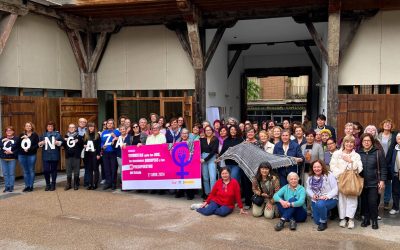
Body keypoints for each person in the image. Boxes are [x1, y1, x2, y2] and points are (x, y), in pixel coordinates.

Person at [330, 135, 363, 229]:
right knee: (341, 200)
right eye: (347, 142)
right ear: (343, 143)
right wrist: (340, 175)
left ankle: (351, 219)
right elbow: (333, 166)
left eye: (351, 142)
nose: (349, 144)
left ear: (354, 144)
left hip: (352, 180)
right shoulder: (337, 154)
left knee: (352, 199)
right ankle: (343, 219)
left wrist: (350, 161)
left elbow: (360, 168)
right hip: (340, 180)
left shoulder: (356, 155)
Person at [358, 133, 387, 229]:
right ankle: (366, 219)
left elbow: (383, 167)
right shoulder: (358, 153)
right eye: (364, 141)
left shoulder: (378, 152)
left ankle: (374, 220)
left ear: (372, 142)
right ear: (361, 142)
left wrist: (382, 180)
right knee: (364, 202)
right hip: (362, 182)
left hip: (374, 182)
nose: (366, 142)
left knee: (373, 202)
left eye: (368, 140)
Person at [306, 160, 338, 231]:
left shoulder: (328, 175)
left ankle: (324, 222)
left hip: (330, 199)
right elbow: (308, 189)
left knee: (321, 204)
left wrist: (326, 196)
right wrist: (313, 195)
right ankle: (326, 213)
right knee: (317, 221)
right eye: (314, 167)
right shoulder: (310, 177)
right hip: (316, 200)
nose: (316, 169)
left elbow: (336, 189)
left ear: (322, 167)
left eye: (318, 167)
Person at [377, 119, 397, 210]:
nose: (387, 125)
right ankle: (376, 201)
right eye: (386, 123)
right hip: (378, 161)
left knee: (388, 182)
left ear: (391, 126)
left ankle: (386, 201)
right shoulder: (378, 135)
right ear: (382, 125)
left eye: (389, 124)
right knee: (377, 181)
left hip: (388, 162)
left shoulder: (394, 136)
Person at [38, 121, 63, 191]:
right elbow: (39, 144)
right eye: (49, 126)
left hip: (54, 154)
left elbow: (62, 142)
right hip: (46, 155)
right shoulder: (43, 135)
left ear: (53, 127)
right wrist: (41, 143)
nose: (50, 127)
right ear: (46, 127)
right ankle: (47, 184)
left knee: (53, 170)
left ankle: (53, 184)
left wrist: (58, 142)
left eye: (51, 126)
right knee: (46, 170)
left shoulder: (57, 134)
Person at [17, 122, 39, 192]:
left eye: (29, 126)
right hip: (22, 155)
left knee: (31, 170)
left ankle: (31, 186)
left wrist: (29, 149)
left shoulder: (35, 135)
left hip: (31, 155)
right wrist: (22, 138)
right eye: (26, 126)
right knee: (25, 171)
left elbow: (37, 145)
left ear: (32, 127)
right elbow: (17, 144)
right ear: (25, 127)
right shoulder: (21, 134)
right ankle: (26, 186)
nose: (28, 127)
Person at [175, 128, 196, 200]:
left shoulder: (191, 141)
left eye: (186, 133)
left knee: (188, 178)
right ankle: (180, 192)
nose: (184, 135)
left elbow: (193, 151)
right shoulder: (178, 141)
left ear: (188, 134)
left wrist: (188, 158)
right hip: (180, 161)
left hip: (189, 161)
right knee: (180, 177)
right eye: (183, 133)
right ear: (181, 134)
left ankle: (190, 194)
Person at [100, 119, 121, 190]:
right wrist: (102, 146)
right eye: (108, 123)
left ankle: (113, 183)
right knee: (106, 168)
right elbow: (101, 142)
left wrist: (115, 136)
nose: (109, 124)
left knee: (113, 168)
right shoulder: (103, 132)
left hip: (113, 152)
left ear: (113, 124)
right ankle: (108, 183)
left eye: (111, 123)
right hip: (105, 152)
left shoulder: (117, 131)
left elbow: (120, 139)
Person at [63, 123, 83, 191]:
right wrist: (64, 141)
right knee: (68, 170)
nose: (71, 128)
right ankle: (68, 184)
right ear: (68, 129)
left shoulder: (79, 136)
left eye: (73, 127)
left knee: (76, 170)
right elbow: (64, 146)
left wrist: (78, 141)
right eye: (70, 127)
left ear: (75, 129)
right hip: (68, 156)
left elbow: (82, 145)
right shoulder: (66, 136)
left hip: (76, 156)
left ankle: (75, 183)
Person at [200, 126, 219, 199]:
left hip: (211, 158)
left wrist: (205, 159)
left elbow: (214, 151)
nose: (208, 131)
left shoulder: (215, 139)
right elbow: (198, 149)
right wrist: (200, 158)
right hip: (202, 158)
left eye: (209, 130)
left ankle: (213, 194)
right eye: (206, 130)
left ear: (212, 131)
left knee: (213, 177)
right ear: (204, 132)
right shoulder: (202, 140)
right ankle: (207, 194)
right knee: (205, 178)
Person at [0, 126, 18, 192]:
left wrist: (12, 152)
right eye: (7, 131)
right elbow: (1, 145)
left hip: (12, 158)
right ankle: (6, 186)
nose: (9, 132)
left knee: (11, 173)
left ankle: (11, 187)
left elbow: (18, 148)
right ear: (5, 132)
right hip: (3, 158)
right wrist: (2, 141)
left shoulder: (16, 139)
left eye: (10, 130)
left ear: (13, 131)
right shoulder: (2, 138)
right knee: (5, 173)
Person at [83, 123, 101, 190]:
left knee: (95, 169)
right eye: (89, 126)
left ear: (94, 127)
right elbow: (83, 143)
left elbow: (99, 145)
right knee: (89, 169)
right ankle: (90, 184)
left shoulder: (97, 135)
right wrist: (84, 145)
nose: (91, 128)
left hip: (95, 154)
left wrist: (98, 154)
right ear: (88, 127)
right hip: (88, 154)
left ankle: (95, 184)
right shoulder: (85, 135)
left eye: (92, 126)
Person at [114, 125, 131, 190]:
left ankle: (129, 185)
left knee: (128, 170)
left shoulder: (129, 137)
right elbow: (115, 147)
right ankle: (124, 185)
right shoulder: (118, 138)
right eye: (121, 129)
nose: (122, 130)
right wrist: (114, 141)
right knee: (122, 171)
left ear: (126, 130)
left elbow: (131, 145)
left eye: (124, 129)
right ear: (120, 131)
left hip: (128, 156)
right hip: (120, 156)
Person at [389, 133, 400, 215]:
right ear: (396, 140)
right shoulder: (394, 149)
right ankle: (395, 207)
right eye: (399, 138)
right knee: (395, 192)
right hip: (396, 174)